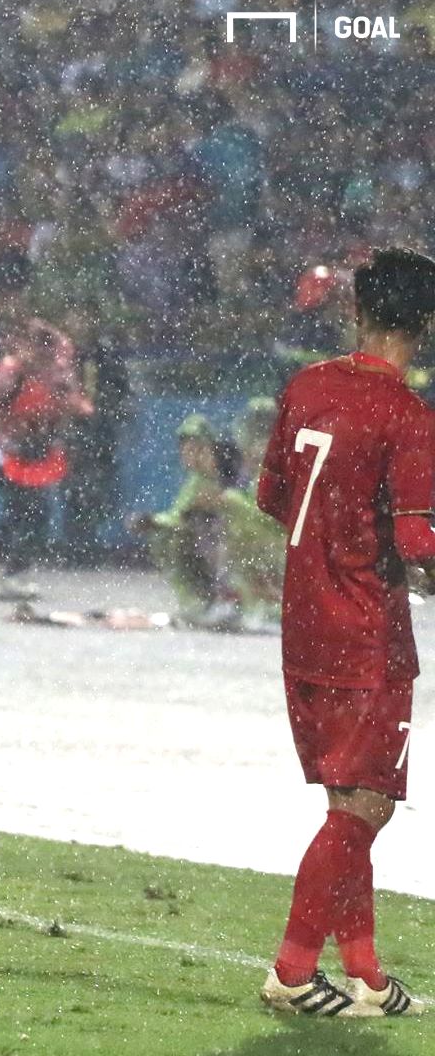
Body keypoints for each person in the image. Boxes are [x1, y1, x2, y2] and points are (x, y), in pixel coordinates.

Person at [254, 246, 435, 1018]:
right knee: (366, 807)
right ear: (427, 324)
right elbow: (418, 543)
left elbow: (272, 496)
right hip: (367, 634)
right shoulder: (407, 415)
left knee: (347, 803)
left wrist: (332, 540)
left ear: (357, 310)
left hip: (305, 625)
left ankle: (365, 974)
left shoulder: (308, 386)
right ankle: (293, 970)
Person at [127, 413, 282, 631]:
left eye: (197, 449)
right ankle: (201, 603)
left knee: (229, 537)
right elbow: (179, 517)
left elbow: (271, 521)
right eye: (187, 449)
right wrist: (152, 521)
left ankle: (255, 607)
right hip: (236, 550)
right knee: (171, 537)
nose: (190, 456)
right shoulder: (199, 481)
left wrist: (227, 502)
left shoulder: (244, 473)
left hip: (270, 550)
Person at [0, 318, 92, 599]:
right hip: (5, 453)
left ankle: (6, 564)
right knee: (22, 508)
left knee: (35, 512)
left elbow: (76, 405)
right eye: (41, 350)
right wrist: (8, 428)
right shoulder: (9, 372)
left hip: (37, 450)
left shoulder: (54, 374)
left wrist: (68, 405)